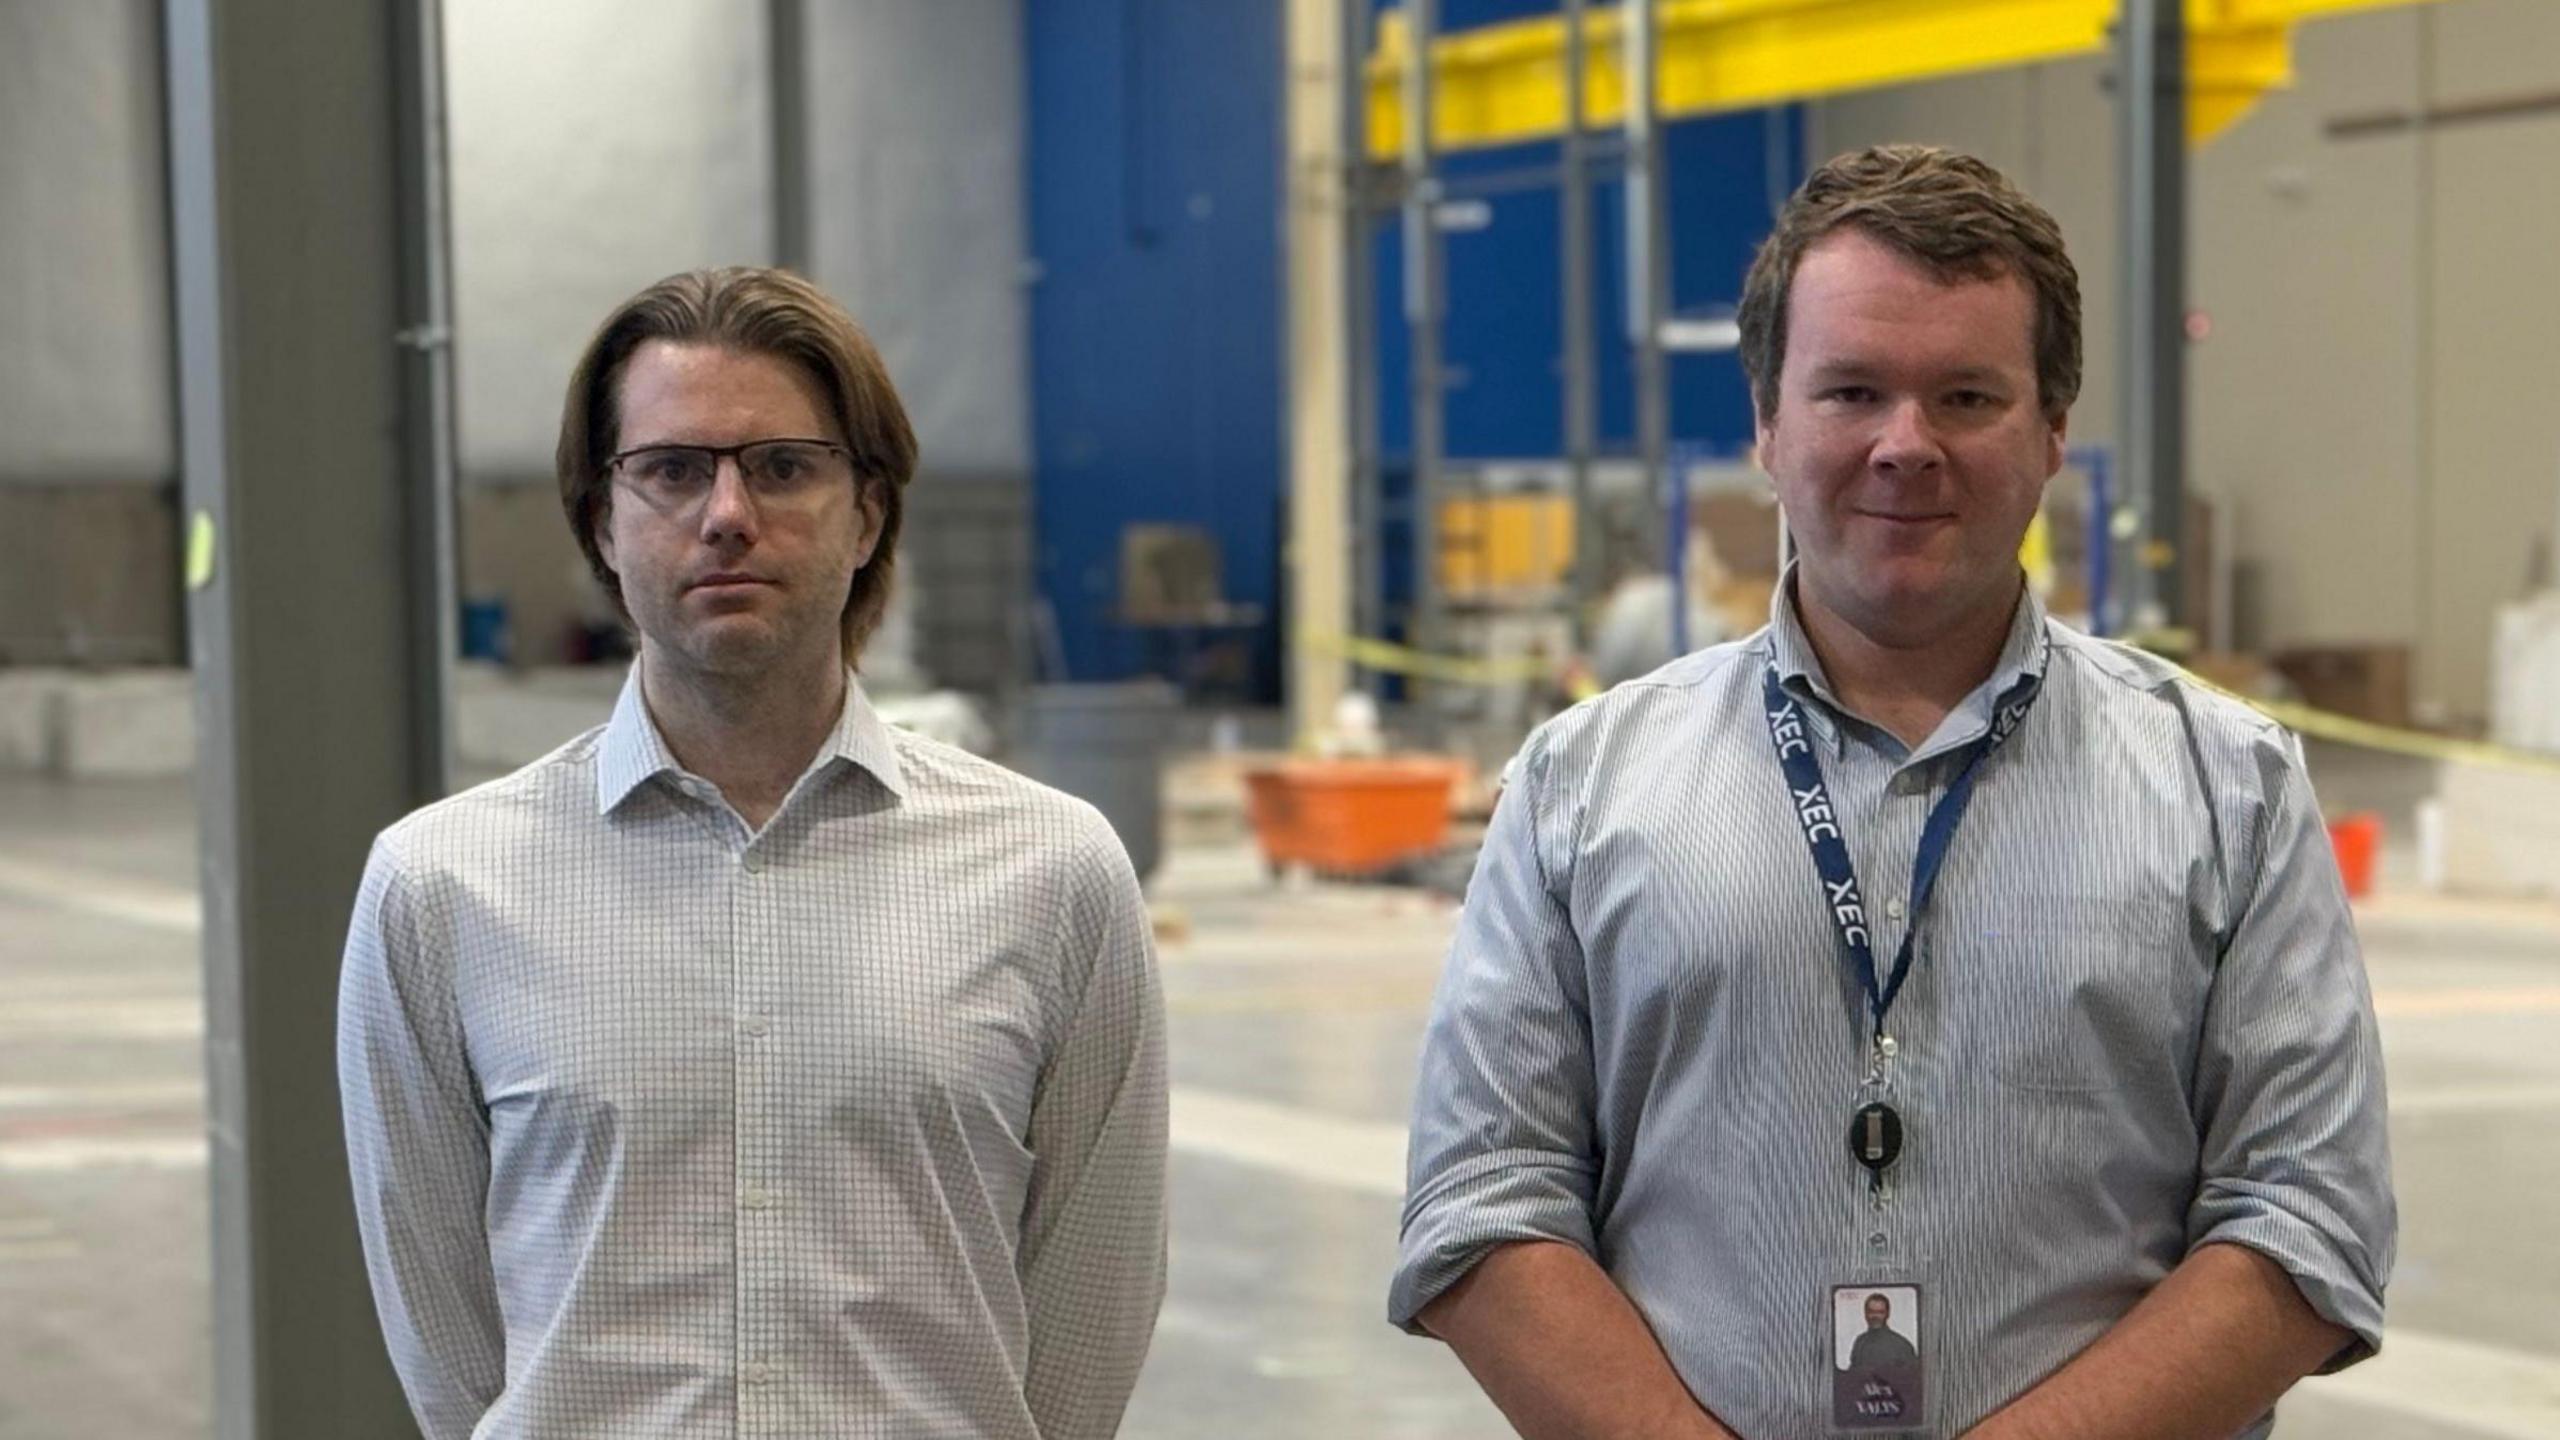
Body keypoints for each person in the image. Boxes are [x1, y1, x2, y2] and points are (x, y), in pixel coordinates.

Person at [1391, 145, 2393, 1439]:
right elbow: (1481, 1201)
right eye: (1852, 390)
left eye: (1967, 396)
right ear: (1765, 424)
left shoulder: (2230, 787)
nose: (1905, 447)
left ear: (2051, 433)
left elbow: (2307, 1219)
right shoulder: (1579, 790)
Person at [339, 267, 1167, 1440]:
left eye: (783, 465)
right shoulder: (441, 888)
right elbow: (450, 1345)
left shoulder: (1053, 872)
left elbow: (1088, 1313)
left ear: (868, 513)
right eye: (672, 470)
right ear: (601, 521)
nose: (728, 512)